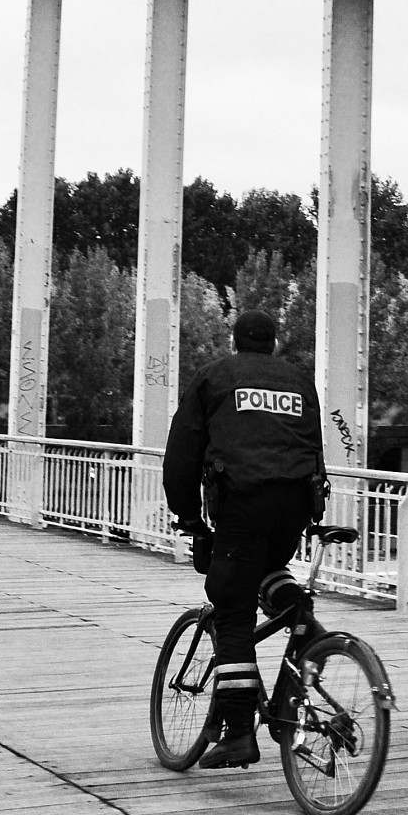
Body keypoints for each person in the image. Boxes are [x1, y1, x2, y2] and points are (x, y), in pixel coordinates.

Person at [161, 310, 327, 772]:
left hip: (243, 502)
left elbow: (183, 454)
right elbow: (313, 446)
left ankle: (237, 732)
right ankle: (304, 620)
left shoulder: (215, 377)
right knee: (271, 568)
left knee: (231, 604)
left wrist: (189, 518)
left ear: (235, 341)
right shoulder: (298, 380)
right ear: (273, 343)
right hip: (294, 501)